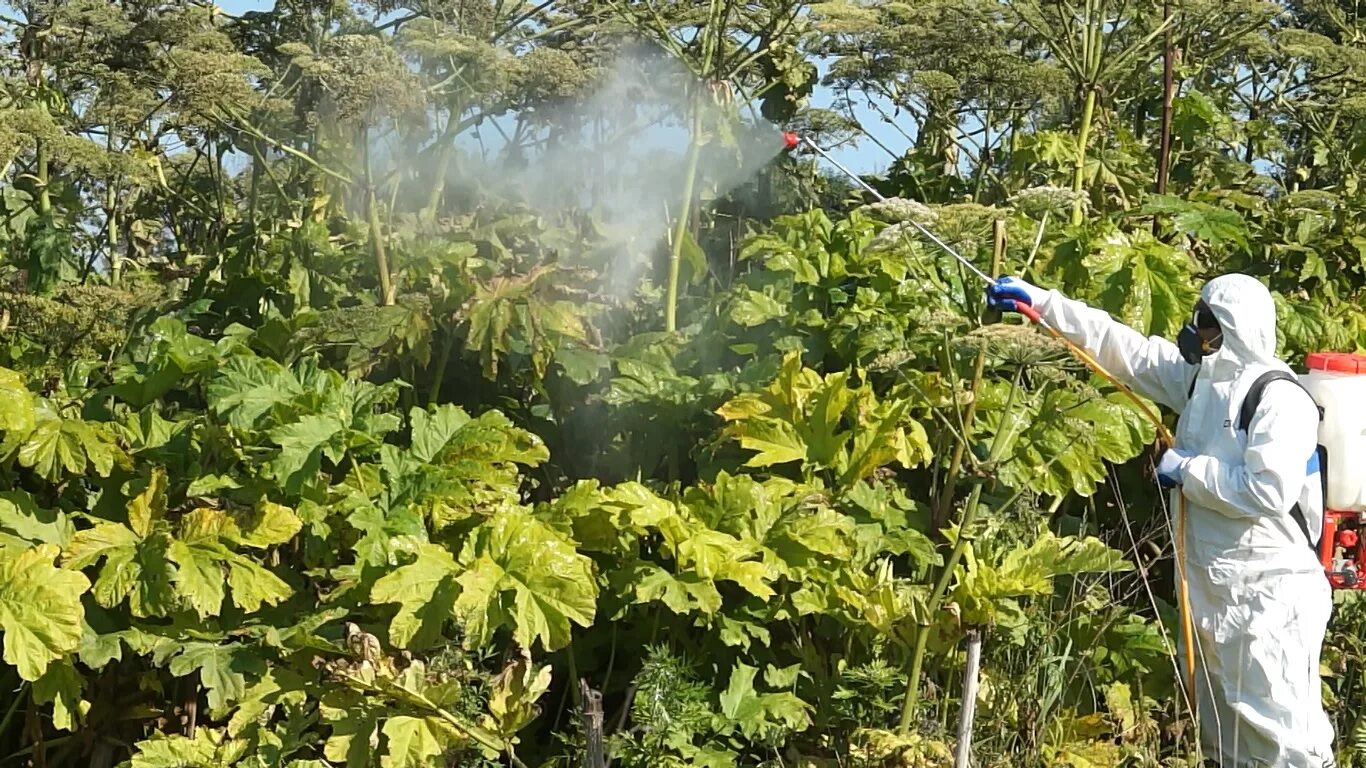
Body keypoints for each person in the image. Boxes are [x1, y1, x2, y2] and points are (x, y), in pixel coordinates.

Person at [985, 273, 1335, 768]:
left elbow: (1269, 490)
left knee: (1280, 730)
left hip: (1268, 595)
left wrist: (1187, 470)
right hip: (1214, 589)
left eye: (1206, 323)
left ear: (1236, 328)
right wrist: (1041, 303)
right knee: (1224, 732)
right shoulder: (1200, 380)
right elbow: (1121, 347)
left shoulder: (1279, 398)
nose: (1195, 330)